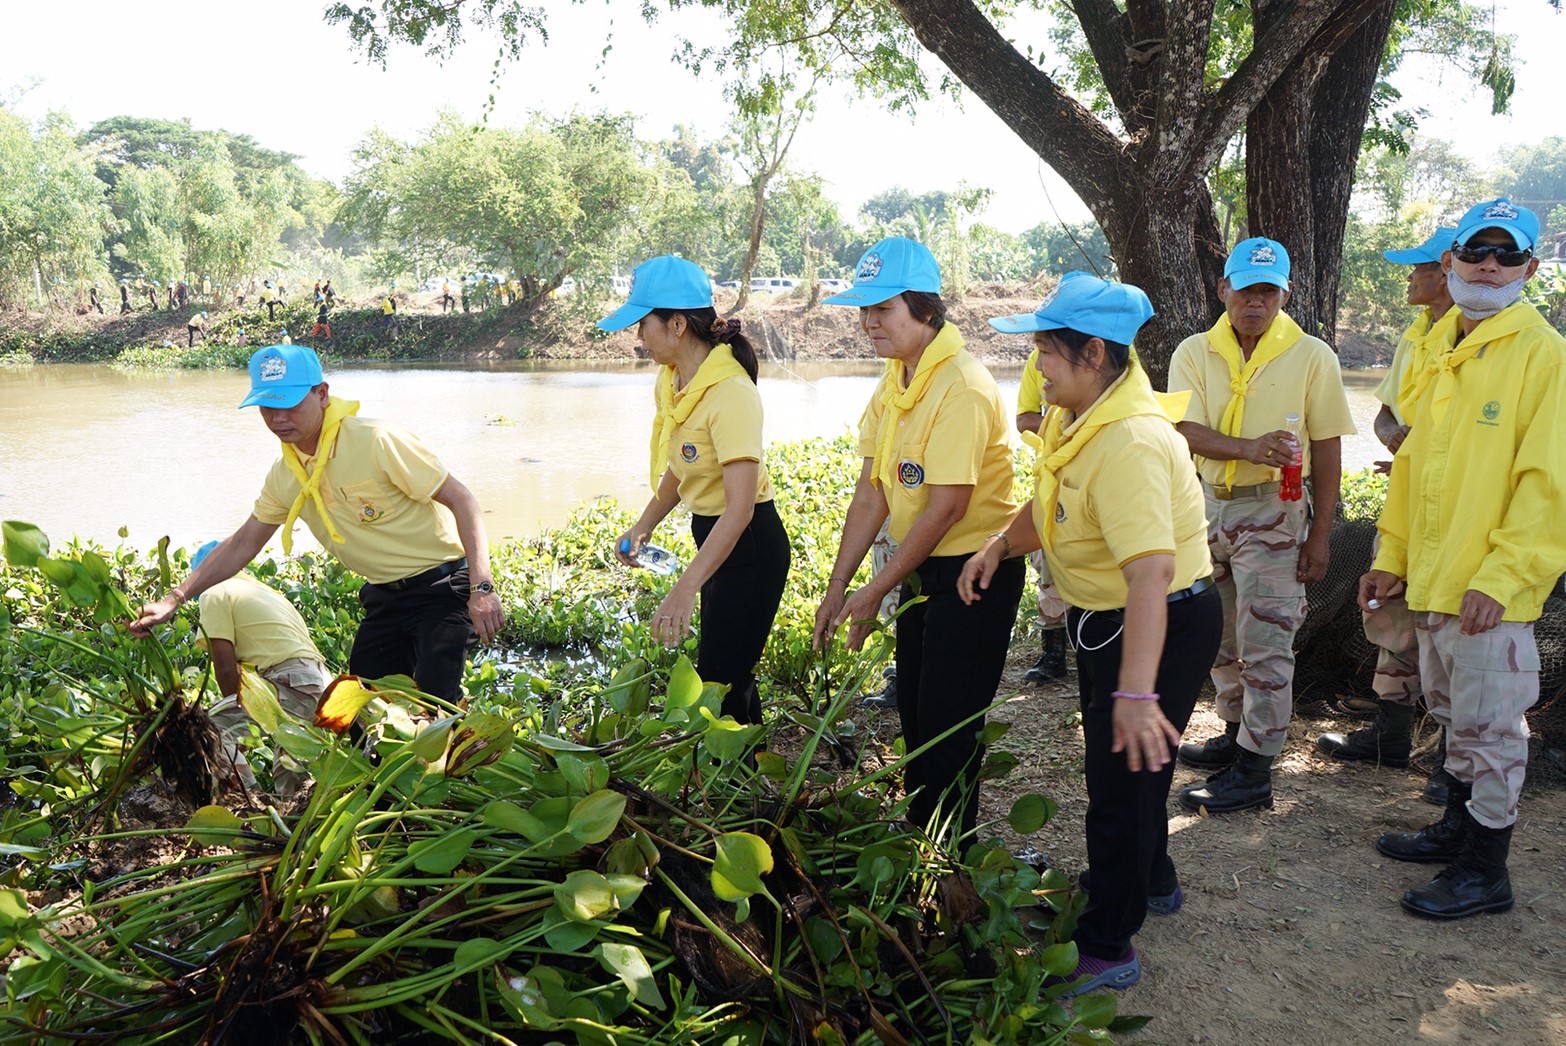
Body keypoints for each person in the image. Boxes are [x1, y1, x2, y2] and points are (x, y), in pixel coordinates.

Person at [960, 272, 1221, 996]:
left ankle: (1109, 944)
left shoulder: (1131, 441)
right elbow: (1051, 505)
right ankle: (1151, 878)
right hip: (1114, 620)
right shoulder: (1080, 420)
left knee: (1120, 781)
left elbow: (1149, 575)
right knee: (1135, 773)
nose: (1034, 364)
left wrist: (1138, 692)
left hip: (1155, 621)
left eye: (1045, 348)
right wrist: (995, 547)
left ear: (1095, 354)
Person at [1363, 198, 1566, 919]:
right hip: (1432, 582)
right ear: (1449, 261)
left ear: (1529, 269)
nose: (1489, 264)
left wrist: (1504, 579)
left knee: (1494, 731)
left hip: (1488, 591)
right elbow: (1413, 471)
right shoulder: (1440, 345)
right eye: (1477, 250)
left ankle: (1487, 871)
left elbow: (1548, 486)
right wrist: (1392, 557)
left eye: (1506, 255)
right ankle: (1456, 828)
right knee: (1455, 715)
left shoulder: (1542, 355)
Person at [130, 344, 506, 700]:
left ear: (322, 393)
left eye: (290, 404)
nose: (278, 418)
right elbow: (245, 541)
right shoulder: (285, 474)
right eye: (267, 406)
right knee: (360, 710)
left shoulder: (375, 440)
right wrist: (175, 599)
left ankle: (454, 759)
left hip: (441, 589)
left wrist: (482, 587)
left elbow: (463, 500)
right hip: (385, 598)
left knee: (435, 707)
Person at [812, 236, 1024, 843]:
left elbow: (948, 506)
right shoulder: (895, 378)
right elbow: (872, 492)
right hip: (921, 566)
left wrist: (875, 589)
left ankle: (951, 852)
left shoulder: (962, 384)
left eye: (883, 309)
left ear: (925, 310)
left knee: (949, 720)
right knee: (914, 706)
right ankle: (923, 832)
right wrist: (838, 589)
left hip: (973, 568)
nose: (868, 322)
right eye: (865, 310)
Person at [1168, 236, 1355, 813]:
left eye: (1268, 291)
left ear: (1285, 293)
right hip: (1205, 506)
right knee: (1218, 631)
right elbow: (1182, 429)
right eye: (1246, 288)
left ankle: (1256, 767)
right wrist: (1249, 446)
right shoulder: (1195, 351)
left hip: (1274, 510)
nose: (1256, 301)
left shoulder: (1312, 355)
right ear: (1223, 288)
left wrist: (1319, 533)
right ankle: (1232, 734)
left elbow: (1325, 448)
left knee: (1268, 636)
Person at [601, 256, 791, 725]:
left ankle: (735, 784)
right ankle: (751, 783)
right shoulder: (675, 381)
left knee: (718, 682)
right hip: (713, 536)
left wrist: (686, 586)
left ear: (678, 324)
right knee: (730, 676)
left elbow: (742, 509)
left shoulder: (730, 394)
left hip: (748, 545)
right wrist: (644, 525)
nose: (638, 338)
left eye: (643, 325)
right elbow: (681, 466)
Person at [1317, 227, 1457, 805]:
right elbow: (1384, 414)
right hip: (1406, 506)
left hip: (1456, 510)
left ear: (1446, 271)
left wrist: (1423, 448)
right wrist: (1398, 439)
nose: (1409, 278)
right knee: (1390, 611)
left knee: (1450, 630)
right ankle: (1390, 736)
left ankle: (1456, 760)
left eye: (1418, 268)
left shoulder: (1475, 339)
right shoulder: (1416, 335)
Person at [187, 540, 331, 797]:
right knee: (292, 779)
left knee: (204, 731)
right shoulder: (269, 594)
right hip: (320, 684)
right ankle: (292, 826)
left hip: (288, 681)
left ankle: (252, 803)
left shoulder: (215, 592)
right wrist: (237, 732)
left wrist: (227, 729)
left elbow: (226, 669)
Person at [1014, 334, 1073, 685]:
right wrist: (1062, 424)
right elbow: (1024, 419)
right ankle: (1053, 654)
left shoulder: (1116, 353)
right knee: (1048, 558)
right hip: (1053, 476)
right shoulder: (1039, 360)